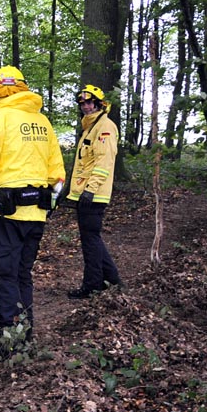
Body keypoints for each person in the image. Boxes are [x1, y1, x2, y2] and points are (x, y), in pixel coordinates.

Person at [0, 66, 65, 357]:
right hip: (37, 214)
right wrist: (47, 202)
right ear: (23, 88)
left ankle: (10, 344)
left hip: (6, 215)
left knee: (5, 276)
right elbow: (57, 174)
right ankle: (24, 336)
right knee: (23, 275)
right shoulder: (42, 123)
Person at [67, 85, 122, 298]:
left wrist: (90, 190)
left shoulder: (105, 127)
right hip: (86, 193)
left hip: (94, 194)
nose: (86, 107)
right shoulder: (90, 127)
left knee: (90, 241)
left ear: (99, 104)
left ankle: (92, 286)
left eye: (90, 103)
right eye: (82, 104)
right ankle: (113, 280)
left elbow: (104, 162)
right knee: (93, 238)